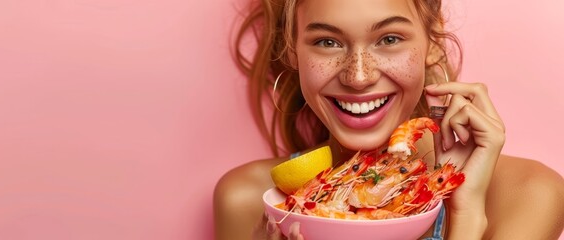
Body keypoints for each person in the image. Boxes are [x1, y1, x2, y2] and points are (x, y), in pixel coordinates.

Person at [213, 0, 564, 239]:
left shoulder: (529, 195)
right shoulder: (249, 200)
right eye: (326, 42)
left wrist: (467, 216)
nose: (359, 76)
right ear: (293, 49)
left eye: (389, 39)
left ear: (432, 42)